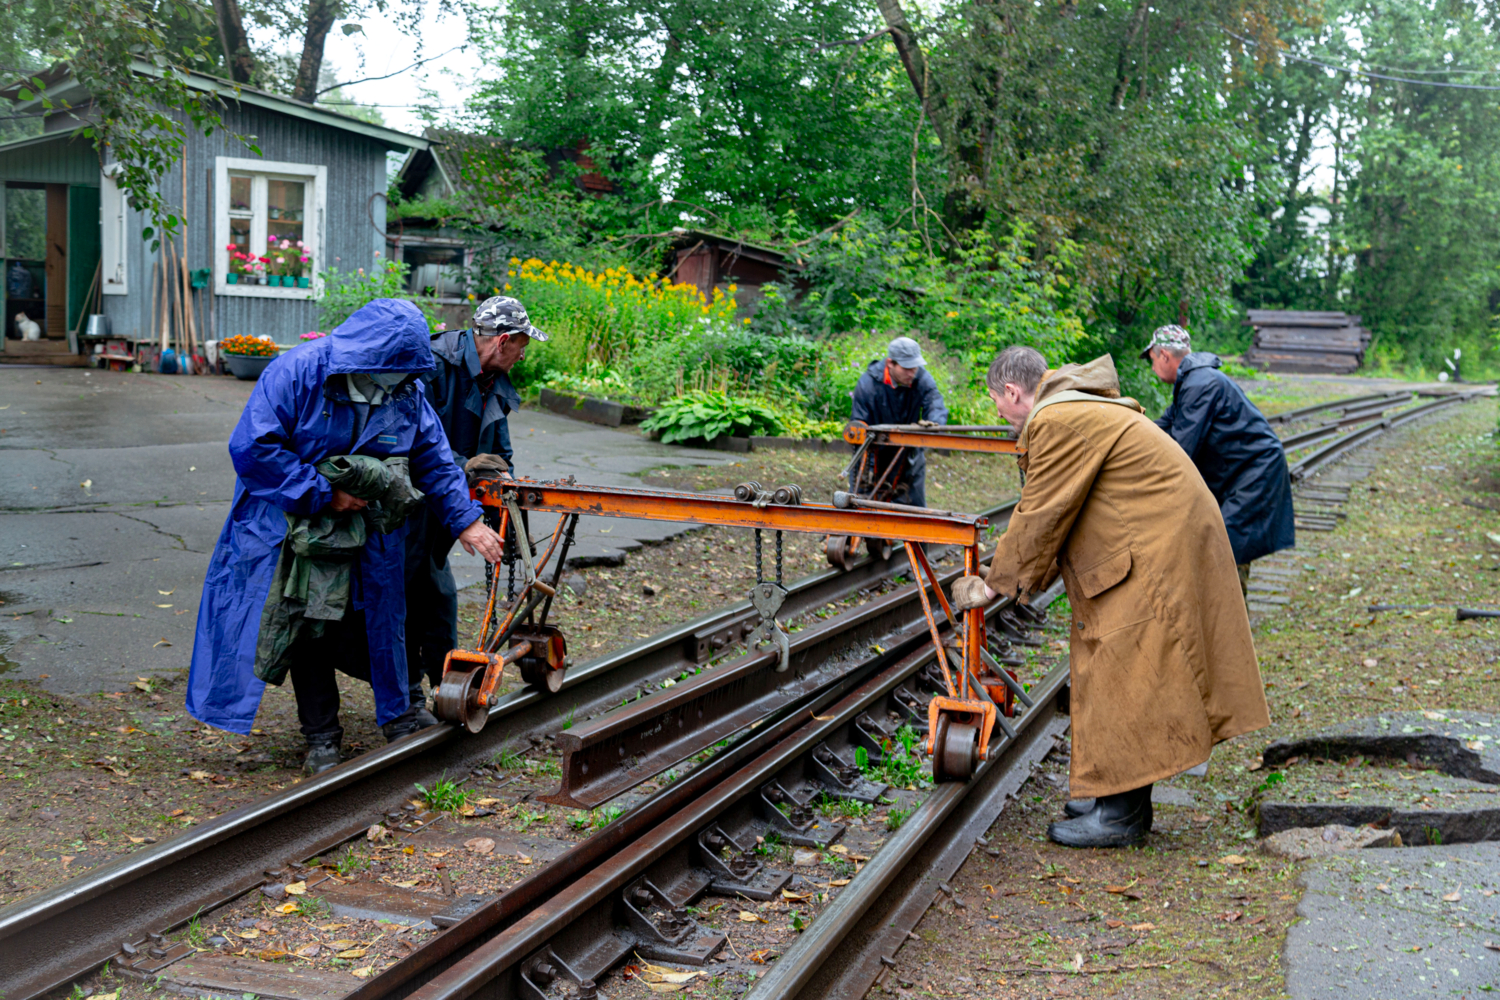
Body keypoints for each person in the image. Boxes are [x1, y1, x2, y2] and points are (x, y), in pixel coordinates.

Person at [950, 346, 1268, 848]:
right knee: (1120, 669)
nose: (999, 415)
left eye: (997, 401)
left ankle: (1120, 816)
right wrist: (1012, 573)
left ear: (1013, 391)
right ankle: (1113, 795)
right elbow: (1064, 514)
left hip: (1156, 548)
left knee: (1128, 670)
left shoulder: (1057, 419)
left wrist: (994, 584)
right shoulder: (1076, 406)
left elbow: (1041, 513)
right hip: (1156, 536)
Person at [186, 299, 504, 775]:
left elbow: (434, 460)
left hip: (371, 526)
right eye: (395, 371)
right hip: (295, 524)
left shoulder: (406, 389)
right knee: (309, 622)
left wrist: (467, 521)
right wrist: (322, 493)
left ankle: (399, 719)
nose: (403, 381)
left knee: (384, 615)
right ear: (367, 358)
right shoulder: (297, 372)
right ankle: (321, 737)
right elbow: (252, 448)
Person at [405, 295, 546, 705]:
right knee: (410, 593)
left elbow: (500, 459)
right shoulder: (432, 365)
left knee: (437, 595)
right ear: (502, 341)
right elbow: (410, 441)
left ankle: (442, 686)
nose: (524, 354)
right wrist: (465, 465)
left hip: (449, 505)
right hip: (411, 502)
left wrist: (508, 514)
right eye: (522, 344)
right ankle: (410, 695)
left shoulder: (493, 379)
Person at [1142, 325, 1295, 597]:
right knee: (1222, 552)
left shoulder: (1201, 384)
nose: (1153, 368)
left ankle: (1233, 634)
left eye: (1152, 360)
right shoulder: (1192, 382)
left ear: (1164, 355)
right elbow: (1160, 428)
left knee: (1222, 553)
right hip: (1242, 475)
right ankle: (1226, 631)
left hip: (1255, 474)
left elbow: (1180, 452)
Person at [848, 336, 948, 508]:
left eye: (915, 367)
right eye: (907, 368)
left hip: (908, 451)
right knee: (862, 502)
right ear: (890, 363)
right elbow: (859, 425)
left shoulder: (922, 379)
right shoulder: (868, 384)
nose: (912, 373)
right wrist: (868, 466)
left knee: (914, 506)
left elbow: (935, 404)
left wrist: (934, 425)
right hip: (874, 451)